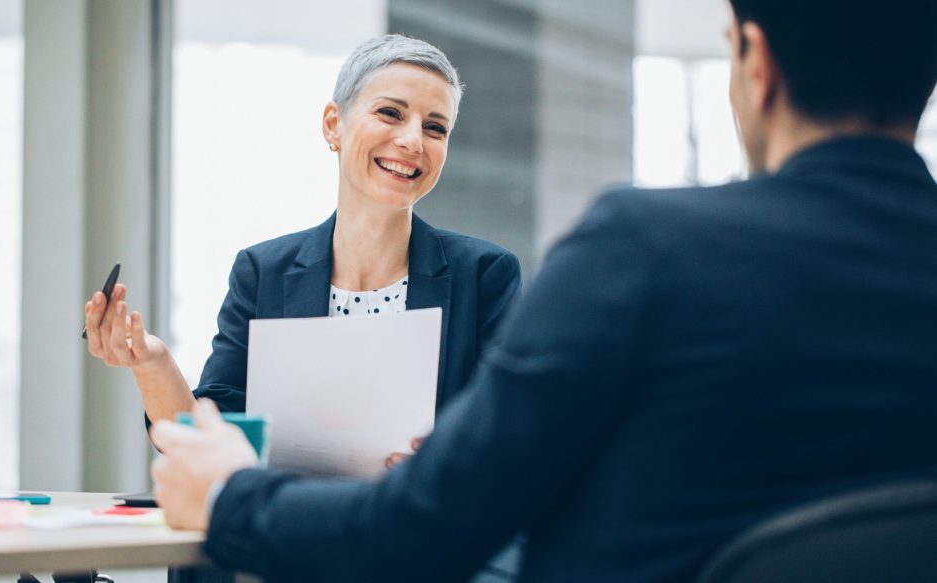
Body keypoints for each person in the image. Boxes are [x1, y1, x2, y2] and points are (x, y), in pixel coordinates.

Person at [150, 1, 937, 581]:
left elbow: (430, 526)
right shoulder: (265, 267)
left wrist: (229, 498)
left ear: (756, 65)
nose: (412, 142)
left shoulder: (644, 250)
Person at [83, 35, 522, 461]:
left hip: (419, 529)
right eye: (390, 113)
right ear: (334, 124)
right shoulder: (263, 272)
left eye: (435, 127)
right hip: (294, 526)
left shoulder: (483, 274)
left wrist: (441, 458)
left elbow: (505, 431)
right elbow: (210, 438)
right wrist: (153, 362)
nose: (413, 141)